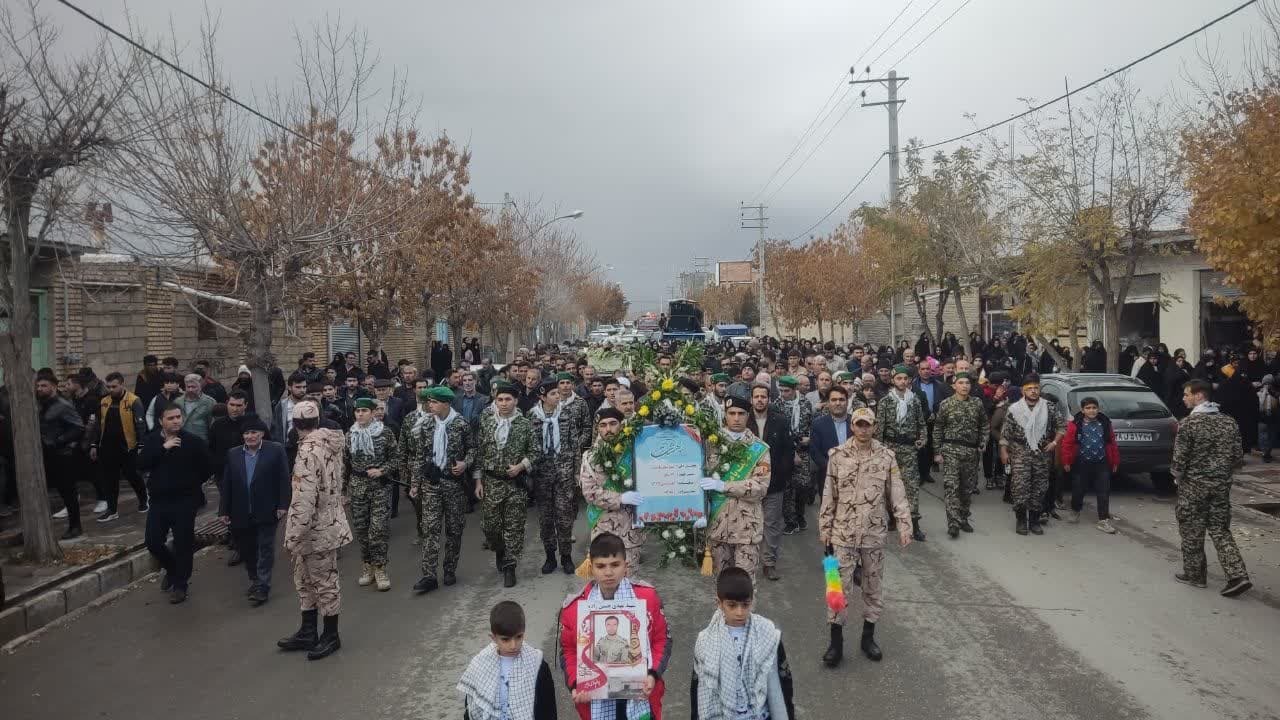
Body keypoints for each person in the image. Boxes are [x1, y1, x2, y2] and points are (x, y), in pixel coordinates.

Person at [819, 407, 912, 666]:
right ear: (852, 426)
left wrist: (905, 525)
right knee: (837, 589)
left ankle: (868, 637)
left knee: (873, 586)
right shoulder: (837, 456)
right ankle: (835, 643)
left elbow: (897, 493)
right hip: (842, 533)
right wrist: (824, 528)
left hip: (873, 533)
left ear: (874, 426)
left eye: (867, 425)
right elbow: (829, 493)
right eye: (858, 424)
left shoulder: (886, 457)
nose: (862, 429)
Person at [558, 532, 671, 720]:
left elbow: (662, 640)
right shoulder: (575, 608)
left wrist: (652, 674)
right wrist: (577, 684)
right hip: (596, 700)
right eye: (601, 566)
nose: (608, 572)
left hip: (640, 694)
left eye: (615, 565)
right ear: (591, 567)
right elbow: (569, 651)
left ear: (626, 566)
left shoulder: (647, 599)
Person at [278, 401, 351, 660]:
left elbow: (303, 500)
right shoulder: (329, 443)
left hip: (314, 530)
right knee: (307, 580)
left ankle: (330, 635)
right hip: (327, 522)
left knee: (322, 582)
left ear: (295, 425)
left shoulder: (308, 451)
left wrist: (293, 537)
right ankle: (309, 630)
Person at [1172, 380, 1252, 597]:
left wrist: (1177, 477)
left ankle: (1195, 575)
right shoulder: (1229, 422)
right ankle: (1238, 575)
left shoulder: (1188, 423)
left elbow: (1179, 459)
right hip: (1221, 486)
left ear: (1199, 396)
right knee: (1220, 529)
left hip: (1193, 486)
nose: (1184, 398)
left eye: (1187, 394)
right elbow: (1237, 457)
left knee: (1191, 529)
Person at [690, 566, 795, 720]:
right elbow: (697, 689)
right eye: (732, 605)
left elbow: (784, 680)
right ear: (719, 603)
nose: (739, 612)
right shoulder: (706, 640)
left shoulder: (768, 633)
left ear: (752, 601)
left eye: (745, 605)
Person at [139, 404, 210, 603]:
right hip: (159, 501)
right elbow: (141, 464)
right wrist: (163, 449)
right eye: (171, 418)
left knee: (183, 543)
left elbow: (206, 468)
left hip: (185, 501)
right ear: (161, 421)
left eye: (178, 417)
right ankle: (172, 569)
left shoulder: (193, 442)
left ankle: (180, 584)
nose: (176, 421)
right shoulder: (152, 440)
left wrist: (190, 484)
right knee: (153, 541)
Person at [410, 386, 475, 593]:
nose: (430, 405)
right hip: (431, 484)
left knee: (454, 529)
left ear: (446, 403)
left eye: (435, 402)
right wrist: (415, 483)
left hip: (454, 484)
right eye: (429, 401)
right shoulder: (426, 423)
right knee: (430, 530)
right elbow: (420, 455)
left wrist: (465, 463)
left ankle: (449, 569)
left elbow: (473, 449)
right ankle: (428, 575)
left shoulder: (461, 424)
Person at [218, 418, 289, 605]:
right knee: (247, 548)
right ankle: (255, 579)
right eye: (246, 433)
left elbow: (283, 479)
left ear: (262, 434)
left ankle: (263, 586)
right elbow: (227, 484)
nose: (250, 436)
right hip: (240, 511)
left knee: (265, 548)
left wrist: (283, 505)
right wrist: (223, 510)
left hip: (267, 509)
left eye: (254, 433)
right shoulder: (233, 454)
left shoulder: (275, 450)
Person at [701, 395, 772, 579]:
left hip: (746, 529)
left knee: (745, 582)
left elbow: (759, 488)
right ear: (725, 415)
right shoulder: (710, 445)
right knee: (721, 581)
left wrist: (723, 485)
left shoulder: (759, 448)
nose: (736, 418)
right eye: (731, 413)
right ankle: (721, 609)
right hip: (717, 526)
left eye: (741, 413)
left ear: (748, 416)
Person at [476, 383, 536, 588]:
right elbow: (479, 452)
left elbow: (535, 452)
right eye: (500, 399)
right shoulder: (487, 422)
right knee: (491, 527)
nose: (503, 403)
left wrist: (521, 466)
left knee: (514, 527)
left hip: (514, 485)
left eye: (508, 399)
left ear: (515, 401)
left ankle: (510, 566)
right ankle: (499, 549)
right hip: (492, 482)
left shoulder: (524, 424)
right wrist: (478, 480)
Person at [457, 600, 558, 720]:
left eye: (519, 637)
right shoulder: (480, 663)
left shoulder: (537, 664)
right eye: (505, 639)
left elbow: (547, 707)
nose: (513, 645)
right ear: (493, 638)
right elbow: (472, 702)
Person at [579, 408, 648, 571]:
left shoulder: (636, 452)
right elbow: (590, 493)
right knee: (605, 582)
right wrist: (620, 498)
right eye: (602, 425)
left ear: (622, 425)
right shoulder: (589, 457)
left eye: (612, 424)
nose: (608, 429)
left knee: (629, 581)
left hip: (631, 530)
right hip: (603, 529)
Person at [345, 397, 398, 592]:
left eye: (364, 411)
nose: (360, 415)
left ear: (373, 412)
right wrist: (343, 491)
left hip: (379, 488)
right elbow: (345, 464)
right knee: (361, 530)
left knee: (378, 530)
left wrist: (382, 470)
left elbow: (396, 458)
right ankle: (367, 565)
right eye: (357, 411)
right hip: (358, 488)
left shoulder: (384, 433)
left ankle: (381, 568)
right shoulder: (350, 435)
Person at [528, 380, 580, 575]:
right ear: (542, 397)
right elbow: (530, 446)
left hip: (563, 472)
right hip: (542, 474)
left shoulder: (566, 414)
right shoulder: (532, 416)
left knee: (564, 517)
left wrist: (576, 471)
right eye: (553, 394)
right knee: (546, 519)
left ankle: (566, 556)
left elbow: (574, 444)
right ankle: (550, 556)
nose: (558, 397)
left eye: (558, 394)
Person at [1000, 374, 1063, 536]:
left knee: (1040, 488)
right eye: (1029, 389)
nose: (1033, 391)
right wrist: (1004, 451)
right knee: (1020, 487)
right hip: (1020, 453)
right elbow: (1006, 433)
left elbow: (1062, 427)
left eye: (1036, 388)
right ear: (1023, 391)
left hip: (1042, 454)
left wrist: (1054, 442)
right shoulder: (1014, 409)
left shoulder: (1049, 407)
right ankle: (1021, 520)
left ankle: (1034, 520)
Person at [873, 365, 928, 541]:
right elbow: (879, 428)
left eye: (905, 379)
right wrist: (879, 450)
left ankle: (914, 524)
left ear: (909, 381)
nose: (902, 382)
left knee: (911, 487)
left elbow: (922, 424)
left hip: (909, 449)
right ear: (893, 380)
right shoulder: (885, 402)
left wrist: (923, 438)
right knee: (889, 486)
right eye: (899, 378)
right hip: (890, 447)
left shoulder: (915, 401)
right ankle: (891, 517)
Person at [933, 372, 988, 539]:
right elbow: (938, 428)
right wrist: (937, 451)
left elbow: (984, 425)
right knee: (951, 487)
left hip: (971, 453)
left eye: (967, 383)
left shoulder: (977, 404)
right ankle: (953, 523)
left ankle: (963, 517)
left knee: (967, 488)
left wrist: (983, 442)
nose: (965, 386)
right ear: (954, 386)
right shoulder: (946, 404)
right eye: (961, 383)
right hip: (951, 450)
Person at [89, 372, 149, 522]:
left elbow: (140, 424)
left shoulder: (134, 401)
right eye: (108, 386)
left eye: (114, 386)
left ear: (122, 384)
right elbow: (98, 425)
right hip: (108, 447)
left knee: (132, 475)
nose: (111, 389)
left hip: (128, 446)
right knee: (110, 479)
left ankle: (143, 499)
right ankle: (112, 509)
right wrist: (94, 445)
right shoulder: (104, 402)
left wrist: (141, 445)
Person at [749, 384, 793, 582]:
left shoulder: (780, 421)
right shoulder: (743, 421)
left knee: (772, 524)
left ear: (769, 399)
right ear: (751, 399)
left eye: (763, 396)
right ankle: (748, 562)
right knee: (748, 523)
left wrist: (780, 476)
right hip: (748, 484)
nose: (760, 400)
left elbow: (787, 453)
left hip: (774, 484)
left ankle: (769, 563)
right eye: (756, 396)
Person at [1059, 396, 1120, 534]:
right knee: (1079, 489)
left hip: (1101, 462)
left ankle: (1103, 520)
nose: (1091, 411)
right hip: (1082, 462)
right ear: (1082, 410)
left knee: (1104, 491)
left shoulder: (1104, 423)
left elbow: (1112, 443)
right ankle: (1075, 510)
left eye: (1094, 408)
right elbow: (1067, 444)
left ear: (1098, 409)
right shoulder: (1075, 424)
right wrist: (1066, 461)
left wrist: (1115, 461)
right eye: (1088, 408)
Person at [37, 374, 85, 538]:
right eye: (38, 386)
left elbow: (78, 427)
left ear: (54, 387)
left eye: (44, 386)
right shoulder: (39, 404)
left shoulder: (62, 405)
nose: (40, 389)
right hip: (44, 454)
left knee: (68, 492)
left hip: (62, 455)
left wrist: (59, 441)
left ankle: (75, 526)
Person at [775, 376, 814, 537]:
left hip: (803, 449)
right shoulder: (776, 405)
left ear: (794, 390)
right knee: (787, 487)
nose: (784, 394)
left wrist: (810, 439)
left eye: (787, 391)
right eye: (781, 390)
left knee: (803, 485)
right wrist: (791, 452)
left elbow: (812, 425)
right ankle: (791, 521)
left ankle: (800, 514)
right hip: (785, 451)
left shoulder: (805, 403)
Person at [809, 386, 853, 503]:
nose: (838, 403)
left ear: (847, 402)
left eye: (841, 399)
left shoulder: (856, 423)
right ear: (828, 402)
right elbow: (815, 451)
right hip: (828, 477)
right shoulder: (818, 424)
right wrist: (831, 469)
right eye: (833, 400)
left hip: (855, 478)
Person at [177, 373, 216, 442]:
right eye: (188, 387)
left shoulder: (209, 402)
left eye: (193, 387)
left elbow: (213, 425)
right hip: (181, 440)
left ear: (200, 387)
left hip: (201, 440)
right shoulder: (178, 402)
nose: (190, 390)